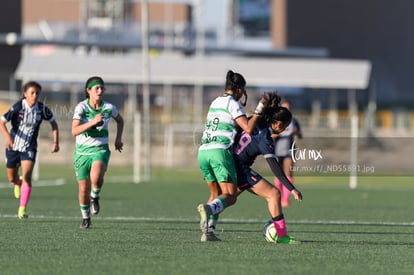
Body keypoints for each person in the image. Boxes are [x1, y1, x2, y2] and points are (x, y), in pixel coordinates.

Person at [206, 92, 303, 243]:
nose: (284, 130)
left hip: (226, 161)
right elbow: (275, 168)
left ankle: (209, 219)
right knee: (274, 194)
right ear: (277, 123)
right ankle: (282, 235)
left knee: (227, 197)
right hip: (240, 169)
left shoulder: (255, 121)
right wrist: (291, 189)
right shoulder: (265, 139)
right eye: (284, 126)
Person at [197, 70, 269, 242]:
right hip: (220, 152)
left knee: (217, 194)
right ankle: (209, 209)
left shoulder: (215, 101)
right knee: (230, 195)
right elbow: (248, 128)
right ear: (238, 90)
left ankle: (208, 232)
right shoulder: (232, 103)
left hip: (203, 151)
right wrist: (260, 109)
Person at [0, 81, 60, 219]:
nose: (35, 95)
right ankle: (17, 182)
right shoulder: (18, 107)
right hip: (13, 147)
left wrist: (55, 142)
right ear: (25, 94)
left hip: (29, 147)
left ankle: (22, 209)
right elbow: (1, 122)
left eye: (37, 93)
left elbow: (54, 124)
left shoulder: (42, 109)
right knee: (11, 178)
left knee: (28, 176)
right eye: (32, 93)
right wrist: (8, 138)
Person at [72, 76, 124, 229]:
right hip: (81, 154)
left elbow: (120, 120)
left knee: (96, 176)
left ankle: (95, 196)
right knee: (83, 189)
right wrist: (92, 122)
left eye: (102, 88)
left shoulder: (109, 107)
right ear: (89, 91)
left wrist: (118, 139)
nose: (100, 91)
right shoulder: (81, 108)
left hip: (100, 150)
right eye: (97, 88)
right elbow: (74, 131)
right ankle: (86, 217)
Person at [273, 100, 302, 207]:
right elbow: (271, 136)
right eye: (285, 108)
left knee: (288, 174)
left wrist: (296, 132)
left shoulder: (294, 121)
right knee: (278, 175)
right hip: (277, 150)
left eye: (289, 108)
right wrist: (280, 132)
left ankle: (285, 199)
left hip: (289, 150)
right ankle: (279, 197)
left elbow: (300, 134)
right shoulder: (276, 122)